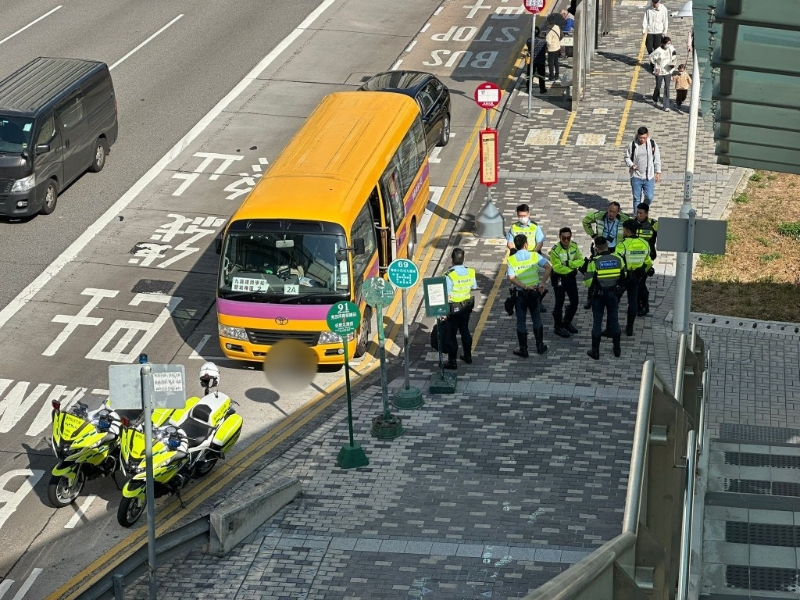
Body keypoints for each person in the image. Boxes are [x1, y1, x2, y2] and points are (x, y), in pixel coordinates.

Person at [507, 234, 552, 358]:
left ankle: (523, 349)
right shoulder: (534, 255)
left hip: (520, 295)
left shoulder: (511, 260)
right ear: (526, 244)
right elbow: (549, 267)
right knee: (536, 318)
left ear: (515, 245)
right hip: (534, 293)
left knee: (521, 321)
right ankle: (540, 346)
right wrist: (542, 283)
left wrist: (524, 286)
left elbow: (511, 278)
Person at [583, 236, 626, 360]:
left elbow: (588, 282)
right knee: (614, 320)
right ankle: (617, 349)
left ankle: (595, 351)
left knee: (597, 322)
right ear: (607, 245)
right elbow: (624, 275)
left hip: (598, 296)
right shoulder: (618, 259)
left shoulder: (594, 261)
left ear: (596, 248)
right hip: (613, 295)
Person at [582, 201, 630, 309]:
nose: (611, 214)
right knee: (594, 271)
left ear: (618, 212)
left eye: (614, 212)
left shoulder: (624, 219)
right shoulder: (599, 216)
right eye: (610, 211)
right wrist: (593, 235)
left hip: (615, 248)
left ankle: (615, 296)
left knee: (615, 272)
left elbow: (632, 227)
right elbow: (585, 221)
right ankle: (590, 297)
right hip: (600, 247)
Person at [615, 220, 653, 336]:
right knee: (633, 303)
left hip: (623, 279)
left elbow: (617, 261)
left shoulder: (623, 245)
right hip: (636, 278)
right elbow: (648, 263)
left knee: (615, 301)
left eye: (623, 229)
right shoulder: (644, 243)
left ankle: (613, 326)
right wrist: (642, 273)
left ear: (627, 230)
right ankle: (629, 328)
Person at [506, 203, 547, 312]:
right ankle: (520, 300)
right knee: (519, 279)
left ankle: (538, 301)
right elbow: (509, 242)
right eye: (520, 216)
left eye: (524, 215)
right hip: (518, 256)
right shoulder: (514, 227)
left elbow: (540, 242)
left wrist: (533, 253)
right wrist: (515, 252)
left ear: (528, 214)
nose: (522, 218)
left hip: (532, 255)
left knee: (533, 279)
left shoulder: (535, 226)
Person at [443, 247, 478, 369]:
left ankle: (452, 361)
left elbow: (447, 294)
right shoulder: (471, 272)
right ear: (464, 260)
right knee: (465, 330)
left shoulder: (449, 275)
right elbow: (473, 286)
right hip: (466, 307)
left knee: (452, 334)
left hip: (453, 308)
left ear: (452, 260)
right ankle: (467, 356)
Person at [548, 227, 584, 338]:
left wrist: (568, 264)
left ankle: (567, 321)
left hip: (571, 278)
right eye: (564, 238)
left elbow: (581, 261)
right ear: (560, 237)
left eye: (568, 238)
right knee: (559, 302)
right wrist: (573, 265)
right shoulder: (555, 251)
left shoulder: (574, 246)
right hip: (559, 279)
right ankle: (558, 327)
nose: (567, 241)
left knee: (575, 301)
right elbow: (558, 268)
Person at [624, 127, 662, 213]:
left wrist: (658, 172)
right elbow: (627, 157)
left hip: (649, 177)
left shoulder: (652, 144)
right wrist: (631, 165)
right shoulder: (633, 145)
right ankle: (637, 216)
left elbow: (657, 158)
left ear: (647, 136)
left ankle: (642, 210)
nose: (642, 140)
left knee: (649, 197)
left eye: (644, 138)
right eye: (640, 137)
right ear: (637, 136)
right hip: (636, 176)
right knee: (636, 198)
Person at [634, 203, 658, 315]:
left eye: (641, 213)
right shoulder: (632, 223)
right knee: (635, 283)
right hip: (633, 259)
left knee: (640, 283)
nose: (638, 215)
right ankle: (636, 304)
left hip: (646, 259)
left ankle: (644, 305)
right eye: (637, 212)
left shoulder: (653, 224)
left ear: (647, 213)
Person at [649, 36, 677, 111]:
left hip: (668, 70)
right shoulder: (658, 51)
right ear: (663, 43)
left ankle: (666, 105)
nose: (669, 44)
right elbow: (651, 57)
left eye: (670, 43)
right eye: (667, 43)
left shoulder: (671, 48)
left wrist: (672, 63)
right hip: (660, 71)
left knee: (667, 87)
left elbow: (674, 54)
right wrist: (656, 65)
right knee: (658, 86)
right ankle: (655, 98)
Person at [643, 0, 669, 65]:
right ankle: (652, 61)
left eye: (656, 3)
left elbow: (665, 21)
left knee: (657, 49)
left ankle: (656, 64)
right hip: (650, 32)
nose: (655, 4)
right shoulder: (648, 9)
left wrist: (665, 31)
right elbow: (645, 20)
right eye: (653, 2)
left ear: (659, 1)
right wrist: (644, 30)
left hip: (659, 32)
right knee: (649, 48)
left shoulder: (663, 9)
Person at [527, 28, 548, 94]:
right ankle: (542, 88)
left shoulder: (529, 41)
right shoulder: (543, 41)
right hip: (541, 60)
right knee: (541, 76)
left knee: (530, 75)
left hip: (532, 60)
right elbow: (545, 49)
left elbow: (528, 48)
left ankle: (529, 88)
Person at [545, 18, 562, 82]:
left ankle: (551, 76)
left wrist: (546, 48)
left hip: (551, 49)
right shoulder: (557, 27)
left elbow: (548, 42)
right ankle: (557, 75)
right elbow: (561, 35)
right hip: (557, 47)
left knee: (551, 63)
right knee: (556, 62)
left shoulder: (549, 31)